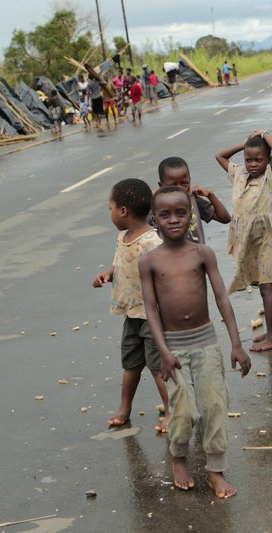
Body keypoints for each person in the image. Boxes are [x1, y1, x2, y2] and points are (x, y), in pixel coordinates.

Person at [139, 186, 251, 498]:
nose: (173, 219)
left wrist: (236, 344)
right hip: (172, 346)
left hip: (206, 342)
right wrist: (162, 351)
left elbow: (220, 298)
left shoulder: (202, 254)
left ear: (191, 217)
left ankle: (216, 470)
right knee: (184, 410)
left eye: (180, 212)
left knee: (215, 405)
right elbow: (151, 309)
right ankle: (179, 456)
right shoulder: (149, 261)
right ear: (155, 220)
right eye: (165, 214)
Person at [93, 178, 170, 432]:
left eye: (111, 208)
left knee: (158, 367)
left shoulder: (151, 241)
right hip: (132, 314)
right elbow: (119, 263)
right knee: (131, 363)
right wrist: (108, 274)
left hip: (152, 316)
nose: (110, 213)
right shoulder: (122, 236)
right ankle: (125, 408)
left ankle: (172, 412)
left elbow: (164, 274)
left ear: (123, 211)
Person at [215, 130, 272, 352]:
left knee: (267, 286)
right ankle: (271, 328)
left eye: (259, 159)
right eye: (249, 159)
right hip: (246, 239)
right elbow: (220, 156)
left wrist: (263, 134)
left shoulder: (269, 176)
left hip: (265, 237)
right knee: (259, 284)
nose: (253, 164)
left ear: (267, 160)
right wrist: (244, 144)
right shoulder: (238, 173)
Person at [150, 157, 231, 244]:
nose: (180, 188)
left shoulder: (193, 199)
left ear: (190, 181)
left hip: (196, 255)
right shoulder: (156, 205)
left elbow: (225, 218)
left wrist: (210, 195)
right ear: (161, 185)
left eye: (184, 183)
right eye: (173, 185)